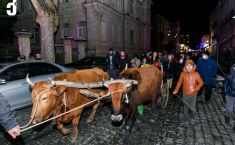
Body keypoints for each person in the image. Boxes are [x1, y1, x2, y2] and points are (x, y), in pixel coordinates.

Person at [173, 59, 203, 127]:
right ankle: (186, 121)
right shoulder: (183, 74)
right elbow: (179, 83)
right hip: (185, 94)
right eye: (187, 66)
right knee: (185, 109)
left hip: (193, 95)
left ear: (193, 66)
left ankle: (192, 120)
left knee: (192, 108)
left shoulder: (196, 74)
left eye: (190, 66)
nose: (188, 67)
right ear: (185, 66)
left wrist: (195, 89)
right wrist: (176, 90)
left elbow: (201, 83)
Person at [223, 64, 235, 128]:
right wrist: (225, 94)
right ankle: (227, 116)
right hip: (230, 95)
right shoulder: (229, 76)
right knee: (229, 109)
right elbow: (225, 85)